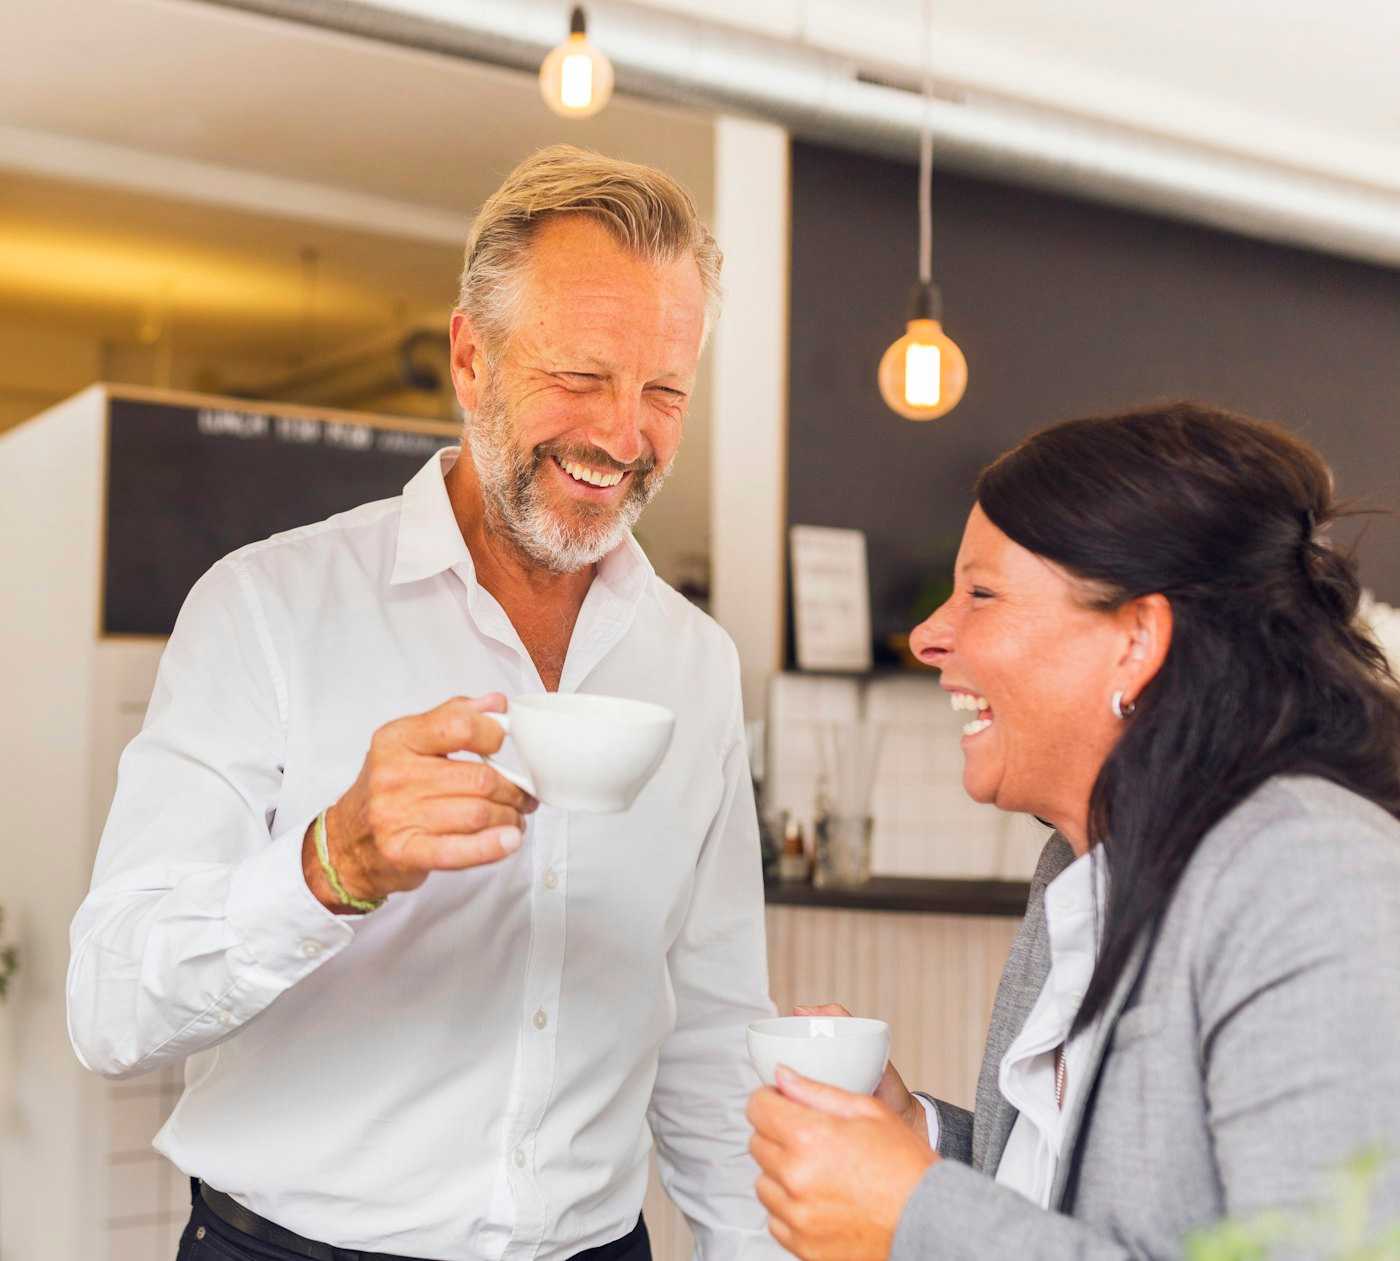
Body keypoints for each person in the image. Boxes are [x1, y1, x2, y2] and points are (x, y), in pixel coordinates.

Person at [68, 146, 781, 1261]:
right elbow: (110, 1010)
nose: (622, 435)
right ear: (469, 356)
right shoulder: (268, 606)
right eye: (580, 376)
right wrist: (328, 867)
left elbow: (707, 1032)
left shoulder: (692, 663)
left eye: (663, 392)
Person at [747, 402, 1400, 1260]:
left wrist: (914, 1220)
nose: (932, 635)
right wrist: (916, 1140)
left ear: (1136, 640)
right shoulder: (1079, 868)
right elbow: (1081, 1203)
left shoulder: (1315, 880)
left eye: (982, 593)